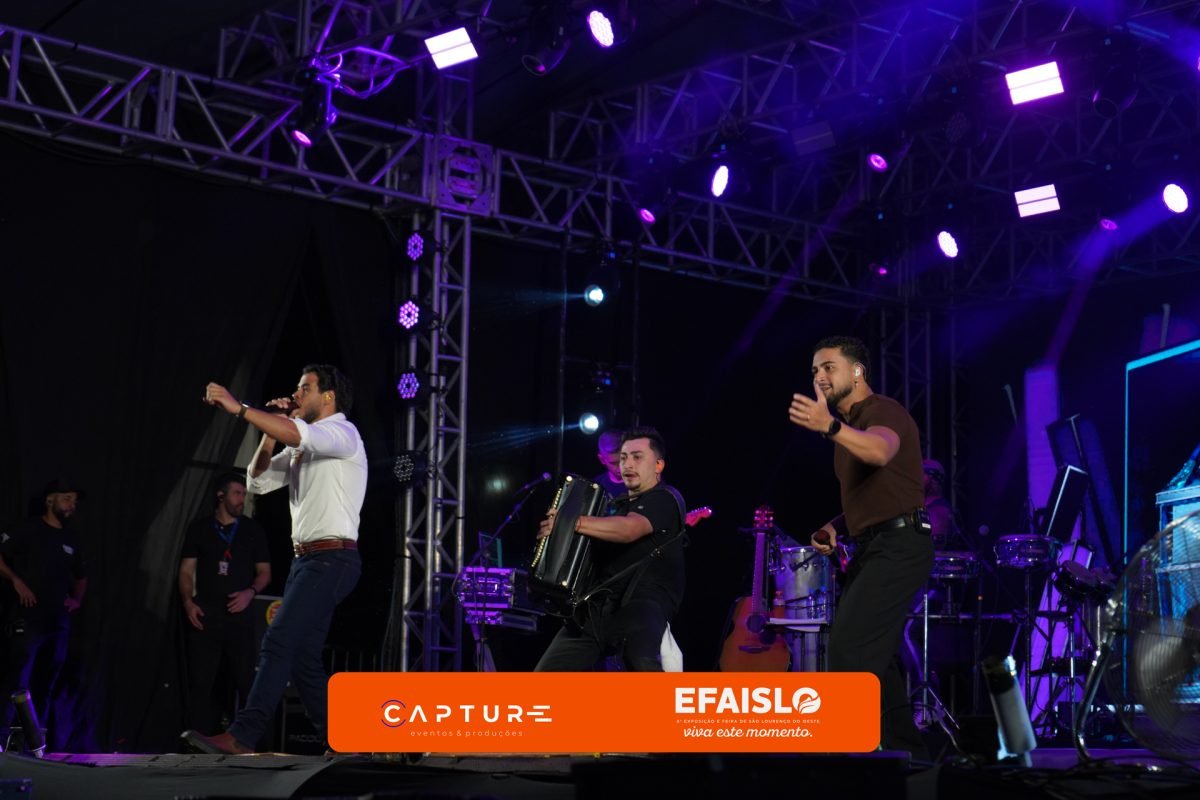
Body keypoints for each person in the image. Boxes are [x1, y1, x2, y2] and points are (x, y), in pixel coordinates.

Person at [184, 363, 366, 755]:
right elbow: (258, 482)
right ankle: (343, 740)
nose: (296, 394)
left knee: (278, 640)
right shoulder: (302, 444)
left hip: (333, 559)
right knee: (303, 659)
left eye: (305, 388)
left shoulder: (343, 433)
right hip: (309, 562)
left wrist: (240, 408)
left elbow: (297, 433)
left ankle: (242, 735)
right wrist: (270, 432)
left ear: (328, 396)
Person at [788, 336, 933, 758]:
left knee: (849, 647)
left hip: (900, 545)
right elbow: (875, 495)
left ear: (857, 372)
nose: (819, 377)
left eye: (828, 367)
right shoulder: (847, 431)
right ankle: (911, 758)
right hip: (873, 547)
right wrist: (836, 525)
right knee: (876, 657)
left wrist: (831, 428)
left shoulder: (881, 411)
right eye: (814, 371)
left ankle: (851, 755)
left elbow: (881, 451)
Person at [535, 427, 685, 672]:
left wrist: (569, 522)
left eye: (637, 457)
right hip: (596, 606)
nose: (628, 464)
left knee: (643, 666)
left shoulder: (665, 498)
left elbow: (629, 530)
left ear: (658, 465)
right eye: (623, 457)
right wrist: (554, 538)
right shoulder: (615, 507)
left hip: (641, 604)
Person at [179, 473, 271, 734]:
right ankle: (195, 739)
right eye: (237, 493)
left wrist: (250, 592)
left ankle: (249, 740)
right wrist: (188, 602)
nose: (242, 499)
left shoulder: (252, 530)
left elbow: (265, 573)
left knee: (245, 680)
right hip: (206, 615)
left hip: (239, 616)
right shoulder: (200, 528)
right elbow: (186, 571)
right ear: (221, 496)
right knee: (200, 682)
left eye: (244, 494)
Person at [0, 479, 87, 739]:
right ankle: (1, 739)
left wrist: (76, 599)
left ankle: (36, 743)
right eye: (67, 498)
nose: (71, 505)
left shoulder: (71, 538)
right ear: (50, 500)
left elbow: (81, 576)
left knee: (47, 682)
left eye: (74, 500)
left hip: (57, 622)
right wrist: (16, 581)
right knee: (16, 679)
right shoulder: (28, 528)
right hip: (28, 618)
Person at [923, 459, 962, 550]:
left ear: (934, 480)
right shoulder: (920, 505)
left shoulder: (940, 511)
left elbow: (934, 548)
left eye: (921, 474)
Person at [592, 429, 627, 497]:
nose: (620, 468)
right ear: (602, 459)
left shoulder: (643, 482)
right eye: (613, 463)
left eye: (623, 460)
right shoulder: (596, 486)